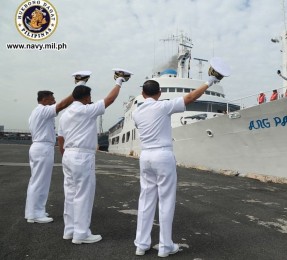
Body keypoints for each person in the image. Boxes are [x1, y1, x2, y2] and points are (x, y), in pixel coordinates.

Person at [133, 75, 221, 257]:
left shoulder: (136, 112)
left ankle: (141, 244)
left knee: (146, 199)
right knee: (166, 200)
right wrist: (209, 81)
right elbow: (190, 98)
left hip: (145, 156)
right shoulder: (163, 106)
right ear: (159, 93)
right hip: (162, 155)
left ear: (142, 93)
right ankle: (165, 246)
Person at [57, 74, 130, 244]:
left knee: (70, 194)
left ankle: (69, 230)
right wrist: (119, 82)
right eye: (90, 96)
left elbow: (60, 138)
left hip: (68, 154)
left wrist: (64, 154)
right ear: (86, 97)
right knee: (84, 195)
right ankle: (81, 233)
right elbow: (109, 99)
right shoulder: (87, 110)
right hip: (82, 155)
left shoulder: (65, 115)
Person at [25, 91, 73, 224]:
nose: (54, 101)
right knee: (41, 181)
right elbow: (62, 105)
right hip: (43, 148)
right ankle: (36, 214)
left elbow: (59, 105)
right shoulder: (43, 110)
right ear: (45, 100)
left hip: (38, 147)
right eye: (52, 99)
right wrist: (79, 89)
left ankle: (31, 211)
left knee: (35, 180)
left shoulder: (36, 112)